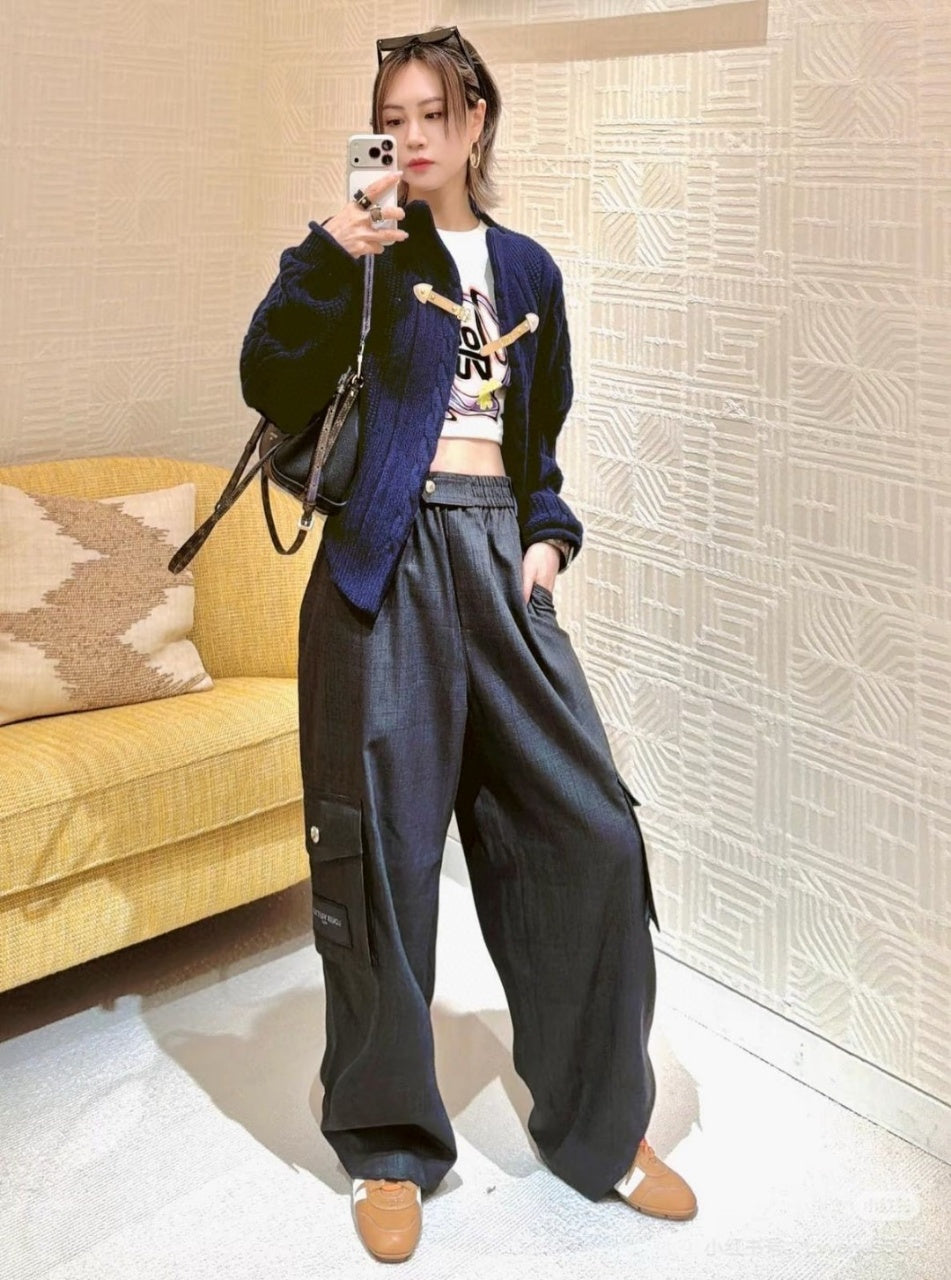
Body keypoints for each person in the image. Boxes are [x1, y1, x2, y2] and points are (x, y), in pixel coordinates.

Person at [239, 26, 697, 1265]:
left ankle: (600, 1125)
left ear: (477, 118)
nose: (415, 138)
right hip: (381, 566)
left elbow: (541, 443)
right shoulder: (362, 253)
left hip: (500, 561)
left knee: (591, 833)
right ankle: (388, 1141)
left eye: (435, 114)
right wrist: (330, 255)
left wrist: (546, 539)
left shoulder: (530, 268)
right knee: (380, 857)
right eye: (393, 119)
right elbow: (270, 380)